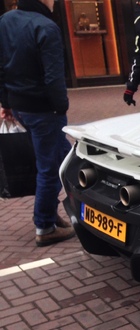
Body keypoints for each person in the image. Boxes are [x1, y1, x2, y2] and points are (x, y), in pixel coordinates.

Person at [0, 0, 75, 247]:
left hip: (20, 107)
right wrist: (60, 107)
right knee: (50, 166)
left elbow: (1, 67)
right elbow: (54, 76)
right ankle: (44, 226)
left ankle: (53, 212)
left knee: (68, 157)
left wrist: (6, 102)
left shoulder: (7, 20)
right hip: (44, 110)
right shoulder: (47, 27)